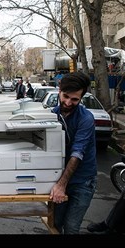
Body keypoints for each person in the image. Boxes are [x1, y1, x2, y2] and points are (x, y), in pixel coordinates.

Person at [50, 71, 97, 234]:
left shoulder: (86, 119)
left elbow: (77, 153)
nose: (68, 102)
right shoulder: (51, 115)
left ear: (81, 98)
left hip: (82, 180)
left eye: (74, 99)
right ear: (59, 90)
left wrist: (61, 185)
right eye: (65, 96)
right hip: (59, 177)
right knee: (55, 223)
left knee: (71, 227)